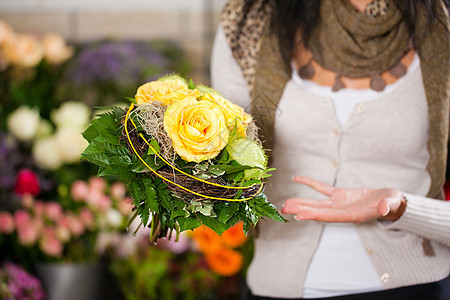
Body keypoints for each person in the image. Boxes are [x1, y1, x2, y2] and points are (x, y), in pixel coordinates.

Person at [210, 0, 450, 299]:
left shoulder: (442, 24)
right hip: (275, 285)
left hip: (417, 287)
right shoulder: (249, 20)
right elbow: (226, 166)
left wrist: (403, 208)